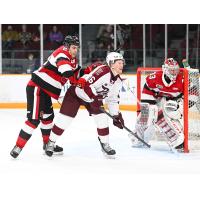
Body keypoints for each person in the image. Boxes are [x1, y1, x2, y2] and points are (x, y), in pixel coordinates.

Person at [10, 35, 81, 158]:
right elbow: (67, 72)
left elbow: (76, 74)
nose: (76, 50)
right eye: (73, 47)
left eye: (77, 48)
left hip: (47, 90)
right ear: (67, 47)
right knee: (33, 120)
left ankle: (47, 144)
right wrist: (76, 83)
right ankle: (18, 147)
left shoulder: (73, 59)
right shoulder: (62, 53)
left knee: (48, 118)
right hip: (37, 87)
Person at [45, 52, 125, 158]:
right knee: (64, 120)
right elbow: (86, 84)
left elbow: (112, 100)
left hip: (93, 97)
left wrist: (116, 115)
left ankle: (105, 144)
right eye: (119, 63)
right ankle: (50, 142)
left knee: (102, 118)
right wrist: (93, 99)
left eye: (122, 63)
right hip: (77, 92)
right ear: (111, 64)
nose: (122, 65)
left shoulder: (118, 81)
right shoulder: (103, 71)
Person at [129, 58, 185, 151]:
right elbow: (147, 89)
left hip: (171, 100)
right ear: (165, 69)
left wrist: (181, 106)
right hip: (153, 96)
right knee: (147, 114)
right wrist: (148, 109)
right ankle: (137, 136)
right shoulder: (154, 77)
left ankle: (175, 138)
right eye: (171, 70)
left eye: (176, 69)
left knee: (169, 112)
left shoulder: (182, 79)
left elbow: (190, 95)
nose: (174, 72)